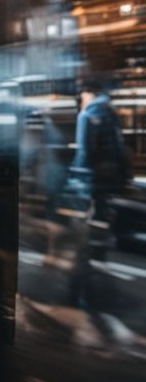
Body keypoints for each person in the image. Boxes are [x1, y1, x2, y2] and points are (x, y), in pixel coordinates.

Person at [68, 78, 130, 306]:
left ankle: (83, 274)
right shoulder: (110, 112)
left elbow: (85, 152)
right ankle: (99, 259)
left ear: (87, 93)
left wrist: (75, 180)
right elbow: (120, 147)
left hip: (91, 179)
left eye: (81, 96)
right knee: (101, 220)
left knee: (83, 226)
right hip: (110, 179)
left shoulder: (87, 115)